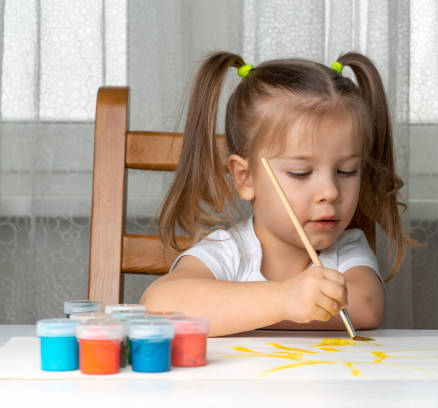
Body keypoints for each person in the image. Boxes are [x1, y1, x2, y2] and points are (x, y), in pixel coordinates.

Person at [141, 51, 416, 337]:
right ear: (245, 178)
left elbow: (366, 306)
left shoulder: (345, 250)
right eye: (301, 173)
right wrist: (284, 301)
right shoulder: (229, 251)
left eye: (346, 171)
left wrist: (241, 311)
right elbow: (158, 304)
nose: (330, 192)